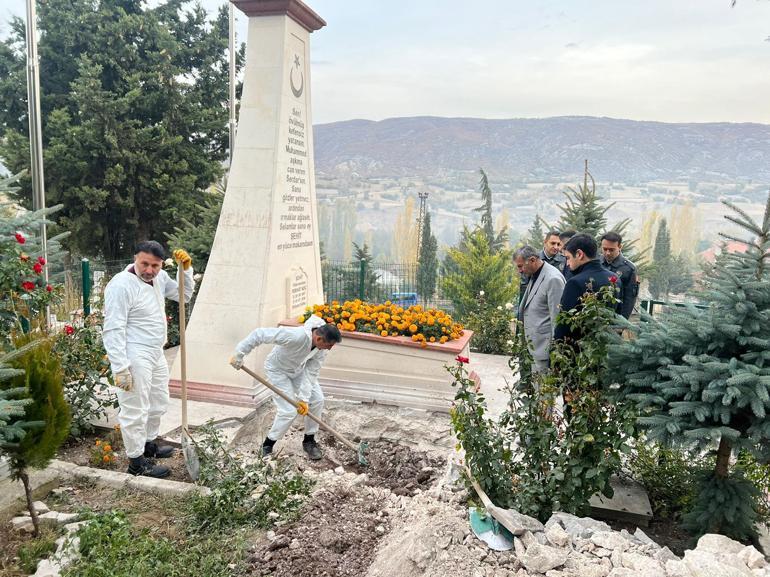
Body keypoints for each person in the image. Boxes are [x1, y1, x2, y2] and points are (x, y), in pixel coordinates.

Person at [103, 241, 194, 478]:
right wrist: (120, 368)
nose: (149, 270)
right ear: (135, 258)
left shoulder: (160, 277)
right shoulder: (121, 285)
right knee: (135, 408)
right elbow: (113, 329)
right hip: (134, 354)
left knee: (158, 401)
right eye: (144, 264)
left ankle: (148, 445)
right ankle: (136, 463)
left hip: (156, 351)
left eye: (155, 265)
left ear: (161, 264)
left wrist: (185, 270)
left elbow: (184, 296)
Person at [229, 316, 342, 460]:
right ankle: (268, 445)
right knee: (288, 411)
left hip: (298, 370)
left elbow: (311, 372)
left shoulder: (321, 349)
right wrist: (239, 353)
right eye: (329, 345)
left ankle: (309, 441)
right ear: (319, 339)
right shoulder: (295, 336)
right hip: (278, 371)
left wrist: (304, 399)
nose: (330, 348)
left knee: (317, 400)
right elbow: (260, 334)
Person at [554, 233, 621, 342]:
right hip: (606, 345)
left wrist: (556, 345)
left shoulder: (575, 283)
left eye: (568, 258)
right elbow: (618, 316)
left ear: (579, 254)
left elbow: (564, 325)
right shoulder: (614, 279)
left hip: (579, 347)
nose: (567, 264)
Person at [514, 246, 565, 373]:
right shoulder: (535, 274)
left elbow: (557, 318)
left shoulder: (553, 279)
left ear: (532, 260)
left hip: (546, 351)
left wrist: (555, 352)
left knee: (544, 386)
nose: (519, 270)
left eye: (520, 266)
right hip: (536, 347)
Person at [600, 232, 639, 319]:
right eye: (605, 249)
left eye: (611, 250)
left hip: (615, 316)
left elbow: (629, 299)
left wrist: (622, 322)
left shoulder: (629, 269)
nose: (607, 253)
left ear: (620, 247)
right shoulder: (596, 263)